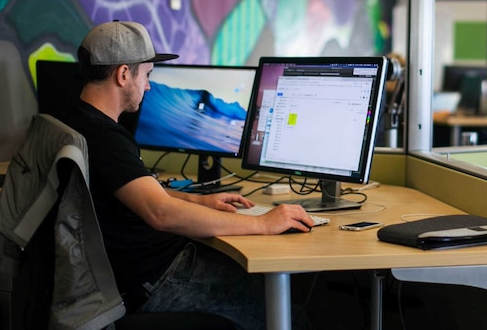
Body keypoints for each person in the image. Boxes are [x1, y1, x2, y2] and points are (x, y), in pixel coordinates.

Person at [61, 21, 314, 330]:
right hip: (155, 280)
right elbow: (160, 213)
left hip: (138, 270)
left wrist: (198, 199)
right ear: (124, 74)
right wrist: (262, 222)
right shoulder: (105, 137)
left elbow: (142, 192)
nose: (150, 87)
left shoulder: (73, 120)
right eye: (147, 75)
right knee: (292, 315)